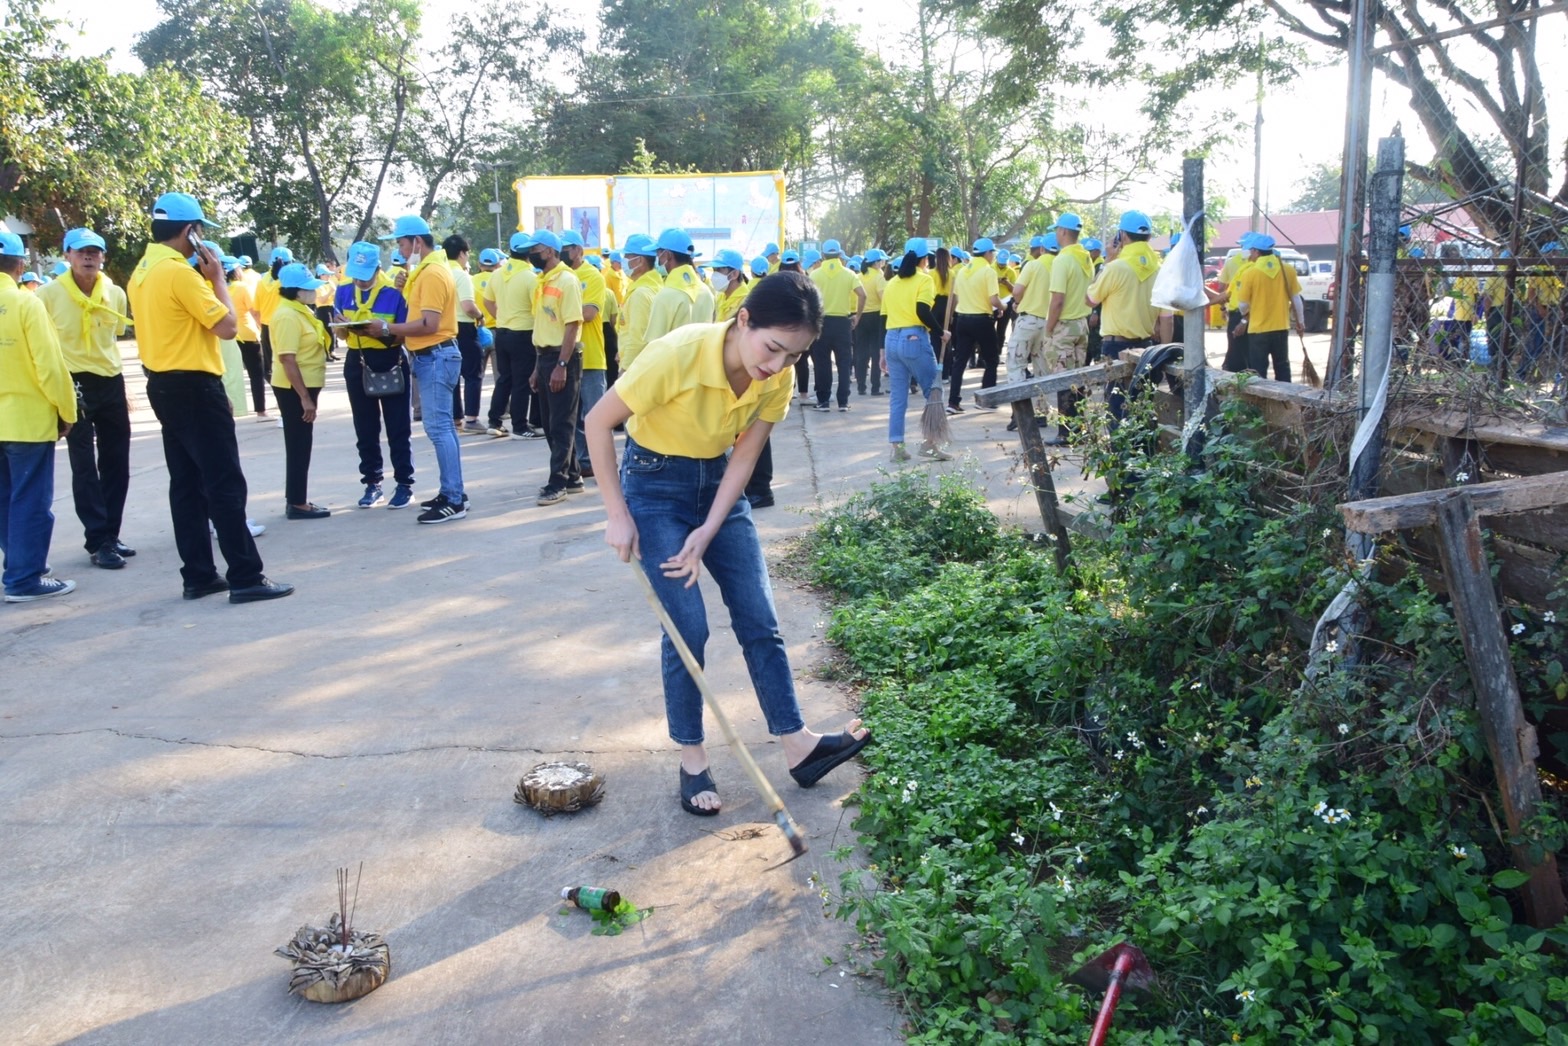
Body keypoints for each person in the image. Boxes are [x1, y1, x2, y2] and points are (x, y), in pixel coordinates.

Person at [584, 270, 872, 816]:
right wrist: (617, 514)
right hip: (654, 487)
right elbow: (597, 422)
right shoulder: (678, 354)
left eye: (793, 355)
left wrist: (708, 529)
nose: (778, 365)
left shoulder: (778, 377)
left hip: (719, 484)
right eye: (773, 348)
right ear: (744, 320)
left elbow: (745, 455)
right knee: (687, 627)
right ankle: (692, 757)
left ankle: (798, 744)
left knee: (759, 617)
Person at [127, 193, 292, 602]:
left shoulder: (142, 272)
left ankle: (199, 574)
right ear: (191, 232)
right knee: (223, 482)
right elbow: (228, 327)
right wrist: (217, 279)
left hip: (163, 384)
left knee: (186, 484)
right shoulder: (178, 274)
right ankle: (246, 575)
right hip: (195, 387)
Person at [36, 227, 136, 569]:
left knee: (117, 459)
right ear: (67, 255)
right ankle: (98, 540)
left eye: (94, 251)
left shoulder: (115, 293)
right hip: (72, 382)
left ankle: (111, 532)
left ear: (103, 256)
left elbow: (114, 337)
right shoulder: (47, 295)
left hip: (110, 379)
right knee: (83, 464)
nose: (88, 257)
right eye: (81, 251)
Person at [0, 231, 79, 601]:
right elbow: (49, 366)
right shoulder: (25, 304)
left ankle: (21, 562)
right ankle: (24, 578)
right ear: (20, 265)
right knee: (30, 500)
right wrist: (67, 411)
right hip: (26, 421)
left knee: (5, 499)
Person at [373, 214, 466, 524]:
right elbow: (421, 314)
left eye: (401, 244)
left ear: (416, 242)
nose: (399, 251)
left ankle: (454, 499)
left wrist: (386, 328)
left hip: (436, 354)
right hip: (433, 355)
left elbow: (429, 324)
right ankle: (452, 491)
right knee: (443, 428)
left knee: (439, 429)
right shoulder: (426, 271)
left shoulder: (432, 273)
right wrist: (404, 288)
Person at [336, 240, 414, 509]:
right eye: (356, 275)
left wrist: (380, 331)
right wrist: (343, 327)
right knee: (365, 426)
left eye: (365, 275)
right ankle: (372, 483)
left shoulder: (394, 291)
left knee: (398, 426)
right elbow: (339, 333)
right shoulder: (343, 289)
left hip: (389, 359)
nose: (359, 281)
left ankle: (404, 483)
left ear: (378, 269)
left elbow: (404, 334)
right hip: (356, 359)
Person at [518, 229, 584, 506]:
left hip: (562, 358)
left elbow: (573, 325)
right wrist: (537, 368)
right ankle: (573, 477)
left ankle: (557, 483)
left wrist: (562, 365)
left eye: (535, 250)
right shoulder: (542, 281)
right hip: (545, 357)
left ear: (549, 251)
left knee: (561, 424)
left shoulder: (567, 281)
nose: (531, 255)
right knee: (549, 423)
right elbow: (544, 327)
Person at [269, 263, 332, 519]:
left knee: (301, 443)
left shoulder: (300, 310)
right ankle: (297, 503)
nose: (313, 292)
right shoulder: (287, 315)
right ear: (295, 291)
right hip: (294, 388)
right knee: (298, 444)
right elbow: (287, 358)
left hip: (303, 385)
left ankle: (297, 498)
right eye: (308, 289)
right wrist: (304, 397)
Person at [882, 238, 953, 463]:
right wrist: (941, 332)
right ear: (925, 259)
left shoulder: (892, 283)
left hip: (891, 339)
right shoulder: (924, 279)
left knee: (898, 397)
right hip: (913, 339)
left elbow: (883, 317)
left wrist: (883, 351)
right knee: (934, 389)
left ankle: (897, 447)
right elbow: (922, 310)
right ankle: (930, 443)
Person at [1087, 211, 1160, 420]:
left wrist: (1108, 260)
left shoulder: (1115, 267)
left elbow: (1090, 299)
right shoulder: (1158, 269)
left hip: (1115, 345)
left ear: (1122, 236)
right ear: (1149, 237)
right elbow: (1167, 318)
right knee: (1142, 408)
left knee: (1116, 408)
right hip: (1146, 346)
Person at [482, 232, 541, 439]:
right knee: (521, 382)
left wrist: (501, 317)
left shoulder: (498, 274)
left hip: (502, 333)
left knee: (504, 379)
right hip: (523, 334)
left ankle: (494, 421)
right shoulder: (530, 277)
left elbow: (487, 301)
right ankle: (520, 426)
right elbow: (538, 309)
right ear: (529, 252)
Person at [1043, 214, 1095, 444]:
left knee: (1063, 379)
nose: (1056, 234)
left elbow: (1057, 300)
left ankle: (1066, 433)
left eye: (1057, 230)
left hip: (1064, 326)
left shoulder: (1062, 260)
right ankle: (1079, 428)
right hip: (1081, 324)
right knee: (1078, 378)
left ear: (1063, 231)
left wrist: (1048, 329)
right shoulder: (1086, 258)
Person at [563, 231, 608, 477]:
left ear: (579, 250)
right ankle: (584, 462)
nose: (562, 253)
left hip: (590, 356)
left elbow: (589, 313)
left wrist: (562, 312)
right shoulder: (557, 276)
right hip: (564, 355)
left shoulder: (592, 276)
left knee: (595, 414)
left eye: (567, 248)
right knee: (573, 417)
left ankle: (601, 462)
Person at [1234, 233, 1305, 382]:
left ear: (1256, 251)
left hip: (1258, 329)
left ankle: (1259, 397)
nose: (1249, 254)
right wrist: (1300, 321)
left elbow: (1243, 304)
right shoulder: (1287, 270)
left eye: (1250, 250)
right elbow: (1296, 299)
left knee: (1258, 369)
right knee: (1282, 366)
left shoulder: (1250, 273)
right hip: (1281, 327)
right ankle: (1285, 395)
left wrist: (1245, 314)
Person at [1004, 232, 1056, 431]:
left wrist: (1018, 303)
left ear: (1042, 249)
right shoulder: (1060, 266)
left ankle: (1020, 413)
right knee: (1041, 367)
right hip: (1047, 323)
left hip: (1027, 321)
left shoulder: (1033, 265)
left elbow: (1017, 291)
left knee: (1016, 365)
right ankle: (1042, 413)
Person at [945, 237, 1003, 413]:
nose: (993, 256)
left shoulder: (963, 271)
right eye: (993, 253)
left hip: (962, 319)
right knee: (992, 359)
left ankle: (953, 402)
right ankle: (986, 399)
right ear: (988, 253)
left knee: (960, 361)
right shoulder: (988, 271)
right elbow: (993, 300)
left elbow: (956, 297)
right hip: (982, 320)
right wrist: (1004, 307)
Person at [807, 239, 865, 411]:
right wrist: (857, 316)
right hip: (842, 323)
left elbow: (807, 298)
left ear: (823, 255)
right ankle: (843, 402)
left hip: (821, 323)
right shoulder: (849, 274)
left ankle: (824, 401)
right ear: (840, 254)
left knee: (822, 363)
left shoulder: (815, 275)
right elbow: (863, 295)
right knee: (844, 363)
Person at [443, 235, 486, 434]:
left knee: (452, 375)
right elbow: (468, 306)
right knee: (472, 374)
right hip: (464, 327)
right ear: (462, 253)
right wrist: (480, 316)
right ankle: (471, 419)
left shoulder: (440, 273)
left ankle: (455, 419)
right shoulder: (462, 276)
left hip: (445, 328)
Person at [644, 228, 701, 344]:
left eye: (658, 253)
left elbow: (654, 344)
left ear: (667, 255)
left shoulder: (666, 296)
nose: (657, 259)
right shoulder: (706, 291)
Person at [228, 251, 268, 418]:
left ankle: (233, 409)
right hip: (248, 333)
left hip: (230, 335)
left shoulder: (220, 289)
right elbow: (254, 312)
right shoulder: (242, 288)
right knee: (257, 374)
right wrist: (262, 329)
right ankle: (261, 410)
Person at [615, 233, 662, 370]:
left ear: (640, 260)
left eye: (627, 256)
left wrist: (625, 370)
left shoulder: (640, 294)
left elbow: (637, 338)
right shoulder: (653, 287)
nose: (623, 261)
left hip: (635, 369)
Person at [855, 248, 888, 395]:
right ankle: (875, 387)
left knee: (861, 352)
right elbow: (884, 298)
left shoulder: (858, 276)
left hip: (860, 316)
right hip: (876, 317)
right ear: (876, 262)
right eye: (882, 261)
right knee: (876, 353)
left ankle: (861, 386)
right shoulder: (879, 278)